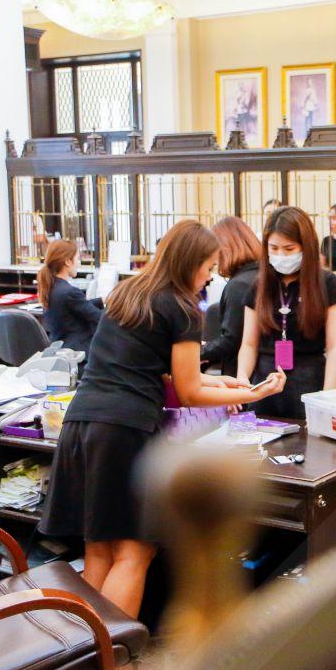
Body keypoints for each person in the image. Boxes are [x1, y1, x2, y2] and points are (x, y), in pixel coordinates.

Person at [41, 221, 285, 618]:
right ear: (190, 263)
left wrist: (222, 382)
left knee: (99, 549)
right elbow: (189, 393)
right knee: (134, 552)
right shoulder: (182, 308)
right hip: (125, 430)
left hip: (81, 422)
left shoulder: (128, 293)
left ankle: (88, 650)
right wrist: (252, 394)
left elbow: (156, 368)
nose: (210, 276)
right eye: (208, 267)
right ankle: (116, 654)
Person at [239, 206, 336, 419]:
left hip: (310, 383)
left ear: (306, 247)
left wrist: (327, 400)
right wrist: (242, 382)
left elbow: (335, 348)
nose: (281, 255)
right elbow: (249, 344)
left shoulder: (328, 285)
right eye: (274, 248)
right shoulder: (259, 285)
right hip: (264, 385)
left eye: (289, 249)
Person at [201, 216, 261, 377]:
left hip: (241, 373)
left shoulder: (238, 285)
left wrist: (200, 351)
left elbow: (231, 340)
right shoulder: (265, 275)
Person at [39, 240, 102, 354]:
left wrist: (102, 300)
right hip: (79, 353)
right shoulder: (70, 292)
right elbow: (98, 318)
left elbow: (79, 305)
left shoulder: (52, 286)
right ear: (68, 261)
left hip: (60, 349)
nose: (78, 263)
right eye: (77, 259)